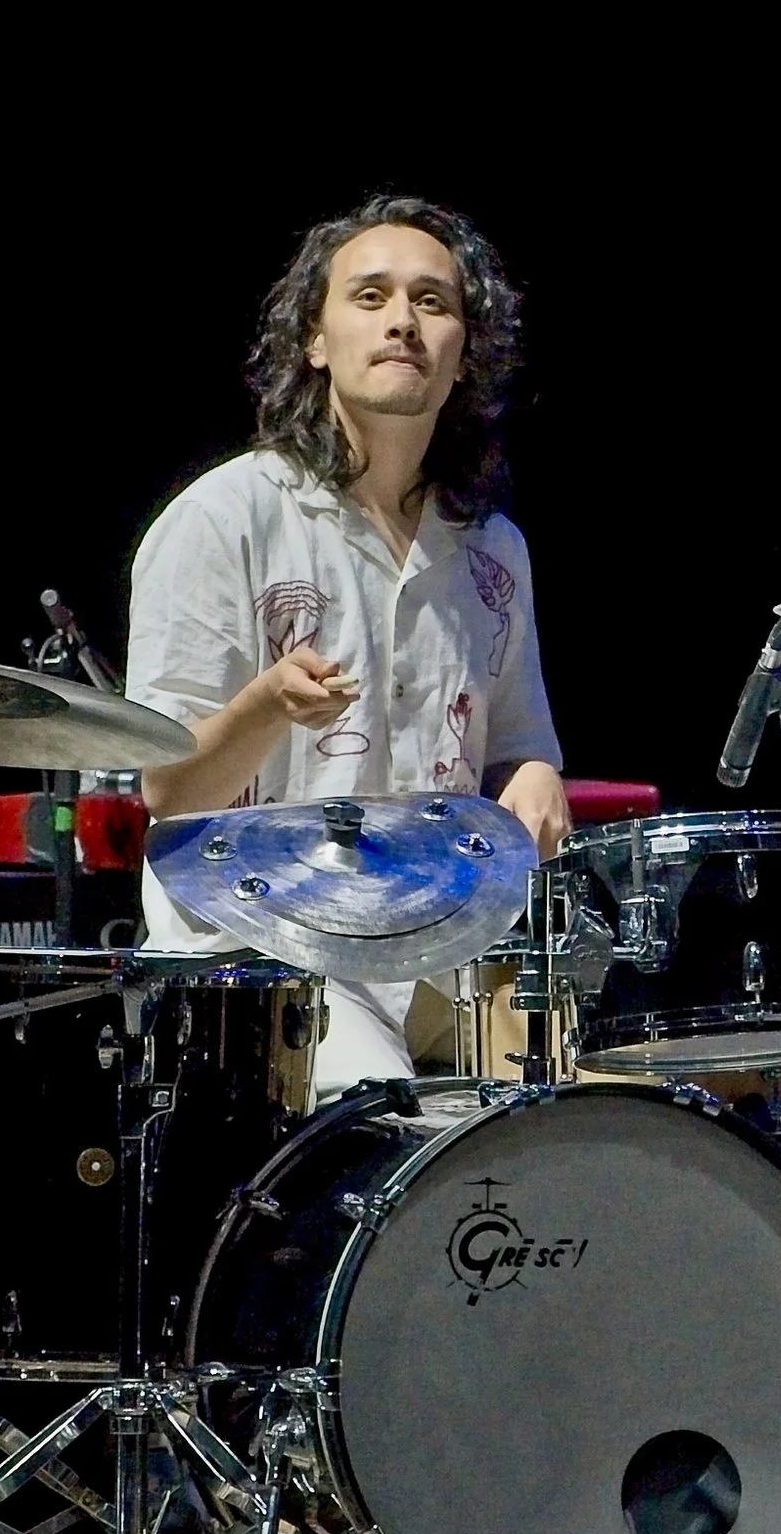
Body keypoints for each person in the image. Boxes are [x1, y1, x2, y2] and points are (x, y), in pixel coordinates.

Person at [127, 193, 569, 1097]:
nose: (402, 320)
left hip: (440, 946)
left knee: (571, 1119)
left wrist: (533, 776)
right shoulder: (225, 519)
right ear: (315, 342)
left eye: (431, 302)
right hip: (264, 951)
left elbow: (521, 749)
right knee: (380, 1128)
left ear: (462, 361)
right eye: (369, 297)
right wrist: (266, 705)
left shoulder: (492, 548)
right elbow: (166, 789)